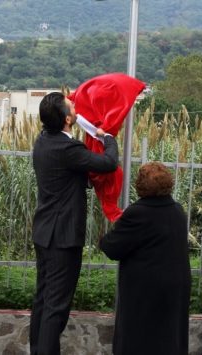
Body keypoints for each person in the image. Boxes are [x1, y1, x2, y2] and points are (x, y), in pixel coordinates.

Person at [29, 92, 119, 355]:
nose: (76, 106)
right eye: (72, 106)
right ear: (68, 119)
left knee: (43, 299)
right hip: (63, 236)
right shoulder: (68, 149)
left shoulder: (43, 141)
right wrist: (108, 138)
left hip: (45, 231)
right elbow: (108, 163)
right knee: (56, 306)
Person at [99, 162, 191, 355]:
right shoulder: (177, 210)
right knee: (168, 336)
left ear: (140, 185)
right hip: (175, 285)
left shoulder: (138, 212)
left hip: (145, 289)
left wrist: (105, 234)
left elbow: (112, 248)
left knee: (140, 337)